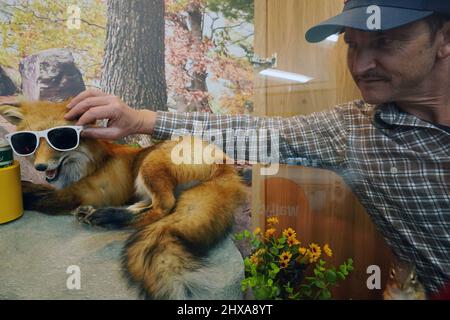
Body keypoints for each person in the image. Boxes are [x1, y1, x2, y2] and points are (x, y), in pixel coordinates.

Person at [65, 1, 450, 296]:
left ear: (443, 38)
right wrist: (142, 121)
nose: (361, 64)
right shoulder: (354, 128)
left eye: (385, 42)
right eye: (352, 45)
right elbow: (258, 132)